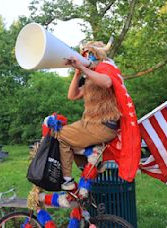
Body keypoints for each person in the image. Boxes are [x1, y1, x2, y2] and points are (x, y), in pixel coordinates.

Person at [57, 40, 140, 191]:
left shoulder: (106, 68)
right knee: (69, 138)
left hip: (102, 126)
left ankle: (68, 180)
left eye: (91, 54)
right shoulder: (91, 77)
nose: (88, 57)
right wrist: (77, 73)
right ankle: (89, 165)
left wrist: (83, 67)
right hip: (91, 124)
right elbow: (72, 95)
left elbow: (107, 82)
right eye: (86, 54)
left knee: (61, 136)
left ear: (99, 55)